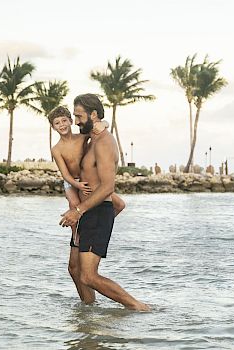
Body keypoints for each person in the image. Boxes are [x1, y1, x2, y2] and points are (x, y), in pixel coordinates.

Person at [60, 94, 149, 311]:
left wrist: (78, 211)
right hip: (88, 213)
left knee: (89, 276)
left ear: (92, 114)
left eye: (79, 116)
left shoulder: (104, 142)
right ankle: (89, 313)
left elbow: (108, 187)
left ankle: (138, 308)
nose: (76, 121)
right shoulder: (91, 138)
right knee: (74, 269)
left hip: (95, 211)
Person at [49, 106, 125, 246]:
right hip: (71, 181)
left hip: (87, 179)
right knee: (75, 205)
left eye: (64, 120)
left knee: (120, 204)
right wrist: (76, 184)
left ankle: (101, 226)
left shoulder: (82, 138)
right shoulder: (56, 149)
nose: (62, 125)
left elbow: (99, 132)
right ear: (53, 127)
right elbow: (64, 174)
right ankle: (76, 234)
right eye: (57, 123)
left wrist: (104, 124)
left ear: (71, 121)